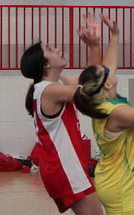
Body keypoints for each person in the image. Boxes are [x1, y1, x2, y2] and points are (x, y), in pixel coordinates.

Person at [74, 13, 134, 215]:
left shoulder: (98, 101)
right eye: (106, 71)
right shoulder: (115, 113)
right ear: (107, 84)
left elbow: (103, 71)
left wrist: (113, 36)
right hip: (122, 187)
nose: (109, 69)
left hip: (127, 182)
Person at [20, 23, 105, 215]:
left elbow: (89, 78)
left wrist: (93, 46)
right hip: (64, 167)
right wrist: (101, 45)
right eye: (50, 49)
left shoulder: (56, 85)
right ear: (45, 65)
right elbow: (93, 87)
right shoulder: (51, 90)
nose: (57, 49)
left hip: (63, 167)